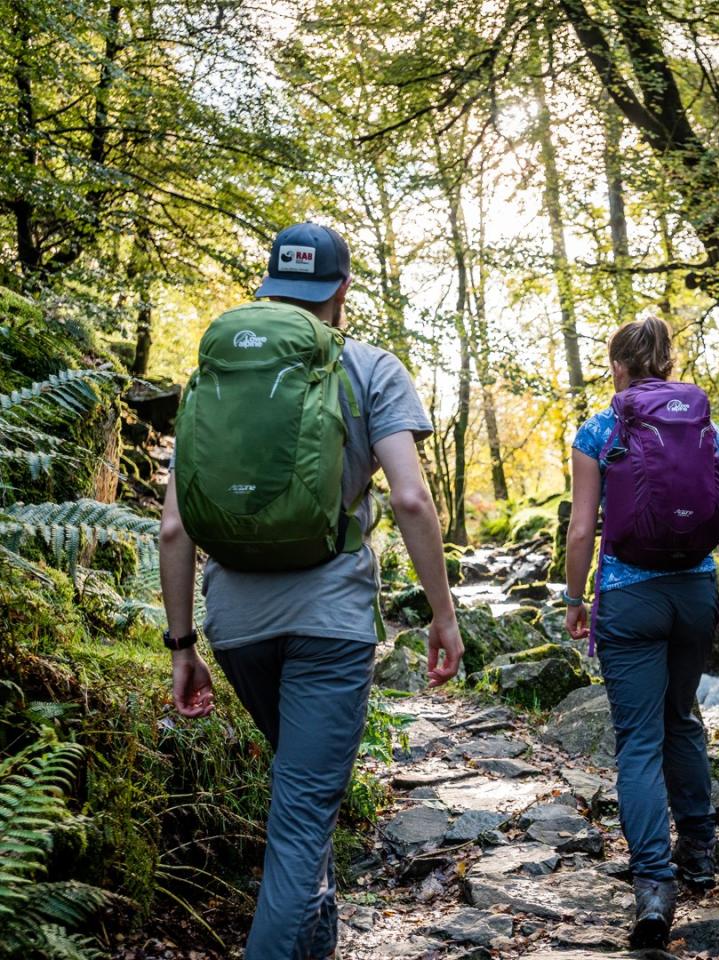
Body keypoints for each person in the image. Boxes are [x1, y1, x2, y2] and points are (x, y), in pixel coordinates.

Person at [159, 222, 464, 960]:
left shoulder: (219, 373)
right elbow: (413, 502)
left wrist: (181, 645)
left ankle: (316, 942)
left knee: (304, 794)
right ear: (343, 289)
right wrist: (442, 615)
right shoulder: (370, 368)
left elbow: (173, 528)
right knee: (300, 817)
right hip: (330, 625)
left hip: (235, 626)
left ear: (269, 285)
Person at [563, 315, 719, 950]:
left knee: (638, 741)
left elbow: (582, 529)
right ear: (668, 365)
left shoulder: (599, 427)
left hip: (629, 595)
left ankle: (653, 887)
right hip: (695, 594)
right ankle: (698, 854)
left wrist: (574, 598)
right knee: (684, 719)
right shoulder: (707, 429)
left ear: (618, 365)